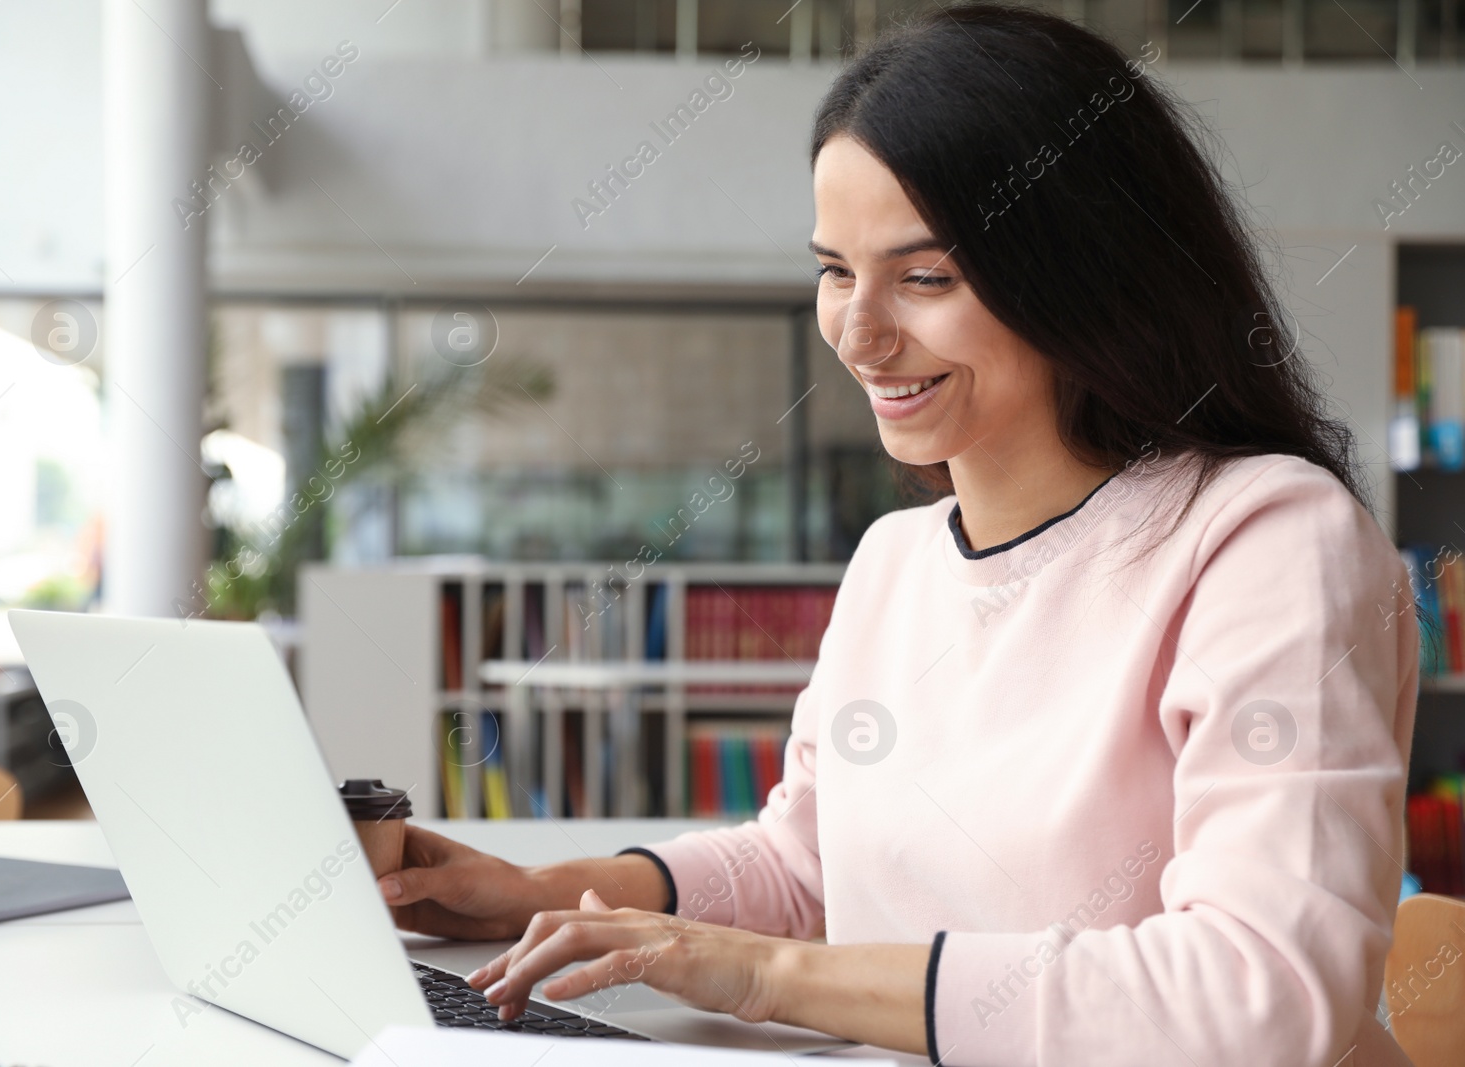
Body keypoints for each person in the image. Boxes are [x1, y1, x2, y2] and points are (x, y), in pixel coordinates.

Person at [378, 6, 1419, 1063]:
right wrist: (533, 894)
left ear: (1084, 273)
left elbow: (1257, 998)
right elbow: (808, 862)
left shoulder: (1265, 539)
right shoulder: (895, 561)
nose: (860, 333)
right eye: (836, 269)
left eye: (925, 278)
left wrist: (767, 975)